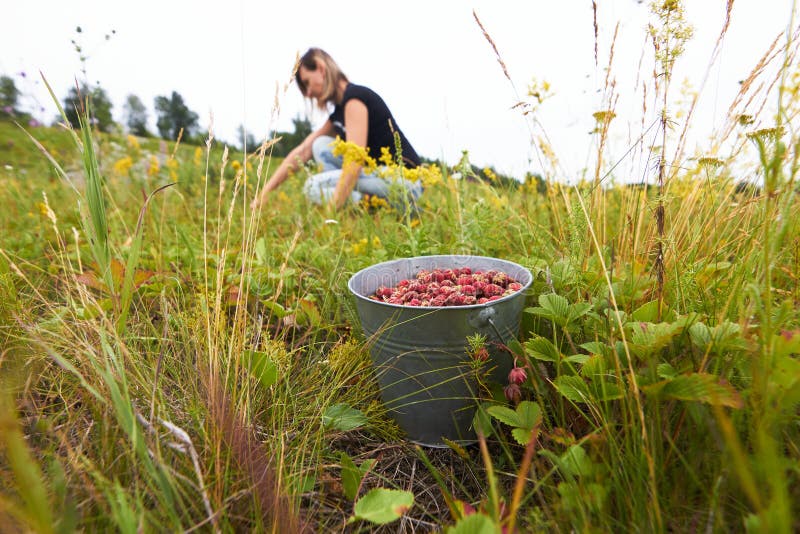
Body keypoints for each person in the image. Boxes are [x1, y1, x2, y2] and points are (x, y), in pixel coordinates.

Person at [250, 48, 423, 211]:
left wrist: (331, 213)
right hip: (381, 179)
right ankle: (369, 206)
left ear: (321, 69)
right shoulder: (339, 113)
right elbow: (303, 151)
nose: (308, 93)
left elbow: (354, 162)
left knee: (312, 186)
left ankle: (363, 208)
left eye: (307, 83)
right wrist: (265, 191)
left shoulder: (355, 99)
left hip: (406, 181)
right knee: (320, 145)